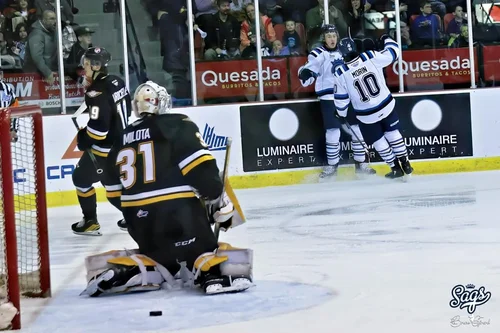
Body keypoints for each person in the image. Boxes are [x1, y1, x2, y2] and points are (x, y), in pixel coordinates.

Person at [79, 81, 252, 297]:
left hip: (140, 224)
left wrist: (140, 207)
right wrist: (219, 206)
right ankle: (211, 268)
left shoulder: (121, 138)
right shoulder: (177, 124)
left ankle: (143, 267)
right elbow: (205, 175)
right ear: (160, 103)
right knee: (204, 249)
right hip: (180, 219)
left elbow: (114, 194)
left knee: (159, 256)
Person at [298, 24, 375, 180]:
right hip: (329, 99)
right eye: (328, 36)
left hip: (349, 96)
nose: (332, 39)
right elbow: (308, 71)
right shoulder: (318, 54)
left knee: (357, 128)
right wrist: (305, 74)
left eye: (334, 36)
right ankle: (332, 165)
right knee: (333, 132)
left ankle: (361, 164)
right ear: (323, 38)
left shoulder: (345, 51)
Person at [332, 35, 413, 179]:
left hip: (366, 115)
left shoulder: (341, 72)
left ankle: (395, 168)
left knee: (378, 140)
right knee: (393, 133)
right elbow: (394, 52)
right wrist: (387, 38)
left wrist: (341, 113)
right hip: (386, 105)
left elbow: (341, 100)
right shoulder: (370, 56)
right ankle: (406, 163)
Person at [72, 47, 132, 236]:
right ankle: (137, 217)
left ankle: (91, 220)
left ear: (96, 66)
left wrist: (83, 139)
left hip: (104, 151)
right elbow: (128, 109)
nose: (84, 67)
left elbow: (99, 131)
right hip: (123, 143)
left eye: (87, 64)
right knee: (114, 190)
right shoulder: (117, 81)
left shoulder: (95, 92)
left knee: (81, 179)